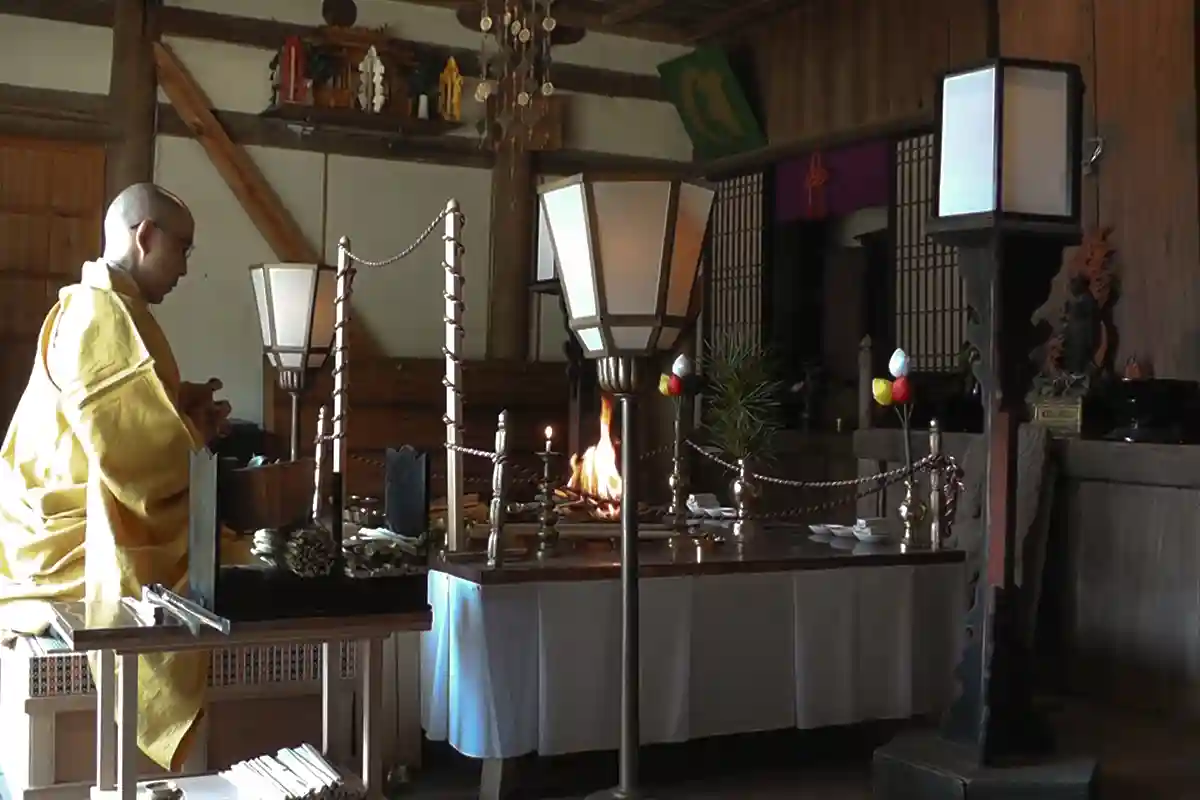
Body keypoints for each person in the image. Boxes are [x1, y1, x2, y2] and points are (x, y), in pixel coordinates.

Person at [0, 182, 242, 770]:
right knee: (232, 569)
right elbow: (136, 464)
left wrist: (181, 406)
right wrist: (195, 435)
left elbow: (125, 417)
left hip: (55, 520)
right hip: (68, 541)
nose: (186, 267)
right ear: (146, 236)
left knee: (230, 554)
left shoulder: (110, 307)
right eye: (182, 248)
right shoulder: (98, 314)